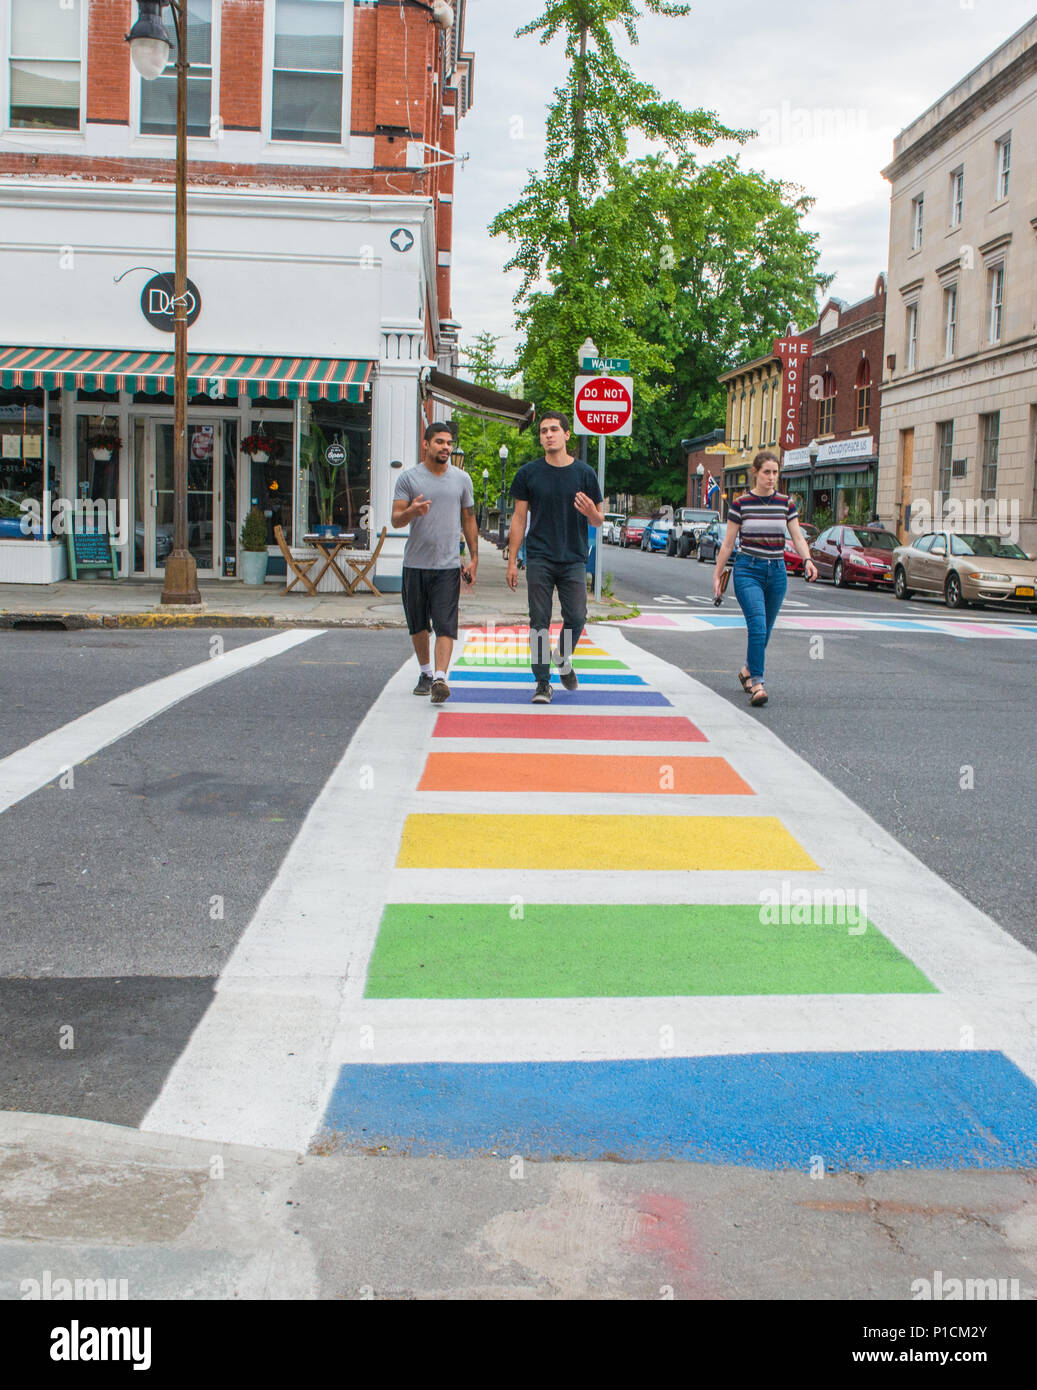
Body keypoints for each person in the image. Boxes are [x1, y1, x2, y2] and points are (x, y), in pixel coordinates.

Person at [506, 411, 604, 703]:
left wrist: (591, 514)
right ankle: (542, 682)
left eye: (553, 430)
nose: (547, 435)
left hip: (573, 558)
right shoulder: (528, 473)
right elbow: (519, 519)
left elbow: (599, 519)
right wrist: (512, 561)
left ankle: (561, 657)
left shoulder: (584, 473)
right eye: (543, 431)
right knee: (539, 620)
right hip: (539, 558)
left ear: (566, 435)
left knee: (577, 616)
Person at [713, 450, 817, 707]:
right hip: (748, 569)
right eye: (767, 472)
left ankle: (748, 669)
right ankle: (757, 683)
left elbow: (797, 537)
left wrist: (808, 560)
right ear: (756, 473)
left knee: (765, 631)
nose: (771, 478)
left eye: (775, 473)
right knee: (757, 626)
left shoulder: (786, 504)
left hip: (777, 572)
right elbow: (728, 545)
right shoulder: (741, 504)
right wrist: (717, 575)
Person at [392, 422, 478, 704]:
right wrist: (412, 512)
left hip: (448, 566)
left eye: (449, 443)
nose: (445, 447)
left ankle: (441, 677)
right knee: (418, 625)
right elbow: (395, 519)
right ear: (426, 444)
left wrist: (474, 558)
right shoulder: (408, 478)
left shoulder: (462, 479)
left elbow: (469, 519)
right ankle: (426, 672)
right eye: (440, 442)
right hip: (415, 564)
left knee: (445, 624)